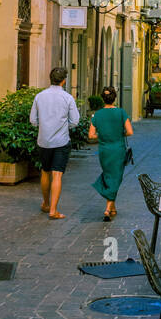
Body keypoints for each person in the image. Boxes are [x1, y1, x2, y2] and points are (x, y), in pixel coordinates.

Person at [29, 68, 80, 219]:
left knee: (45, 172)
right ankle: (53, 210)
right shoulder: (67, 98)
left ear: (50, 78)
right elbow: (75, 121)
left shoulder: (39, 96)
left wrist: (44, 126)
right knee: (57, 175)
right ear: (64, 80)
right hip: (61, 141)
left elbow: (33, 120)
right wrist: (64, 126)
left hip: (44, 140)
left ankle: (45, 203)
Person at [88, 86, 133, 222]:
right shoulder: (121, 113)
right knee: (116, 178)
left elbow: (91, 135)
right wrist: (119, 133)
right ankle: (107, 209)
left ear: (103, 98)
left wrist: (102, 135)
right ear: (115, 98)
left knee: (110, 176)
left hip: (104, 151)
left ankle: (113, 208)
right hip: (118, 150)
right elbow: (130, 132)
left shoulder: (98, 114)